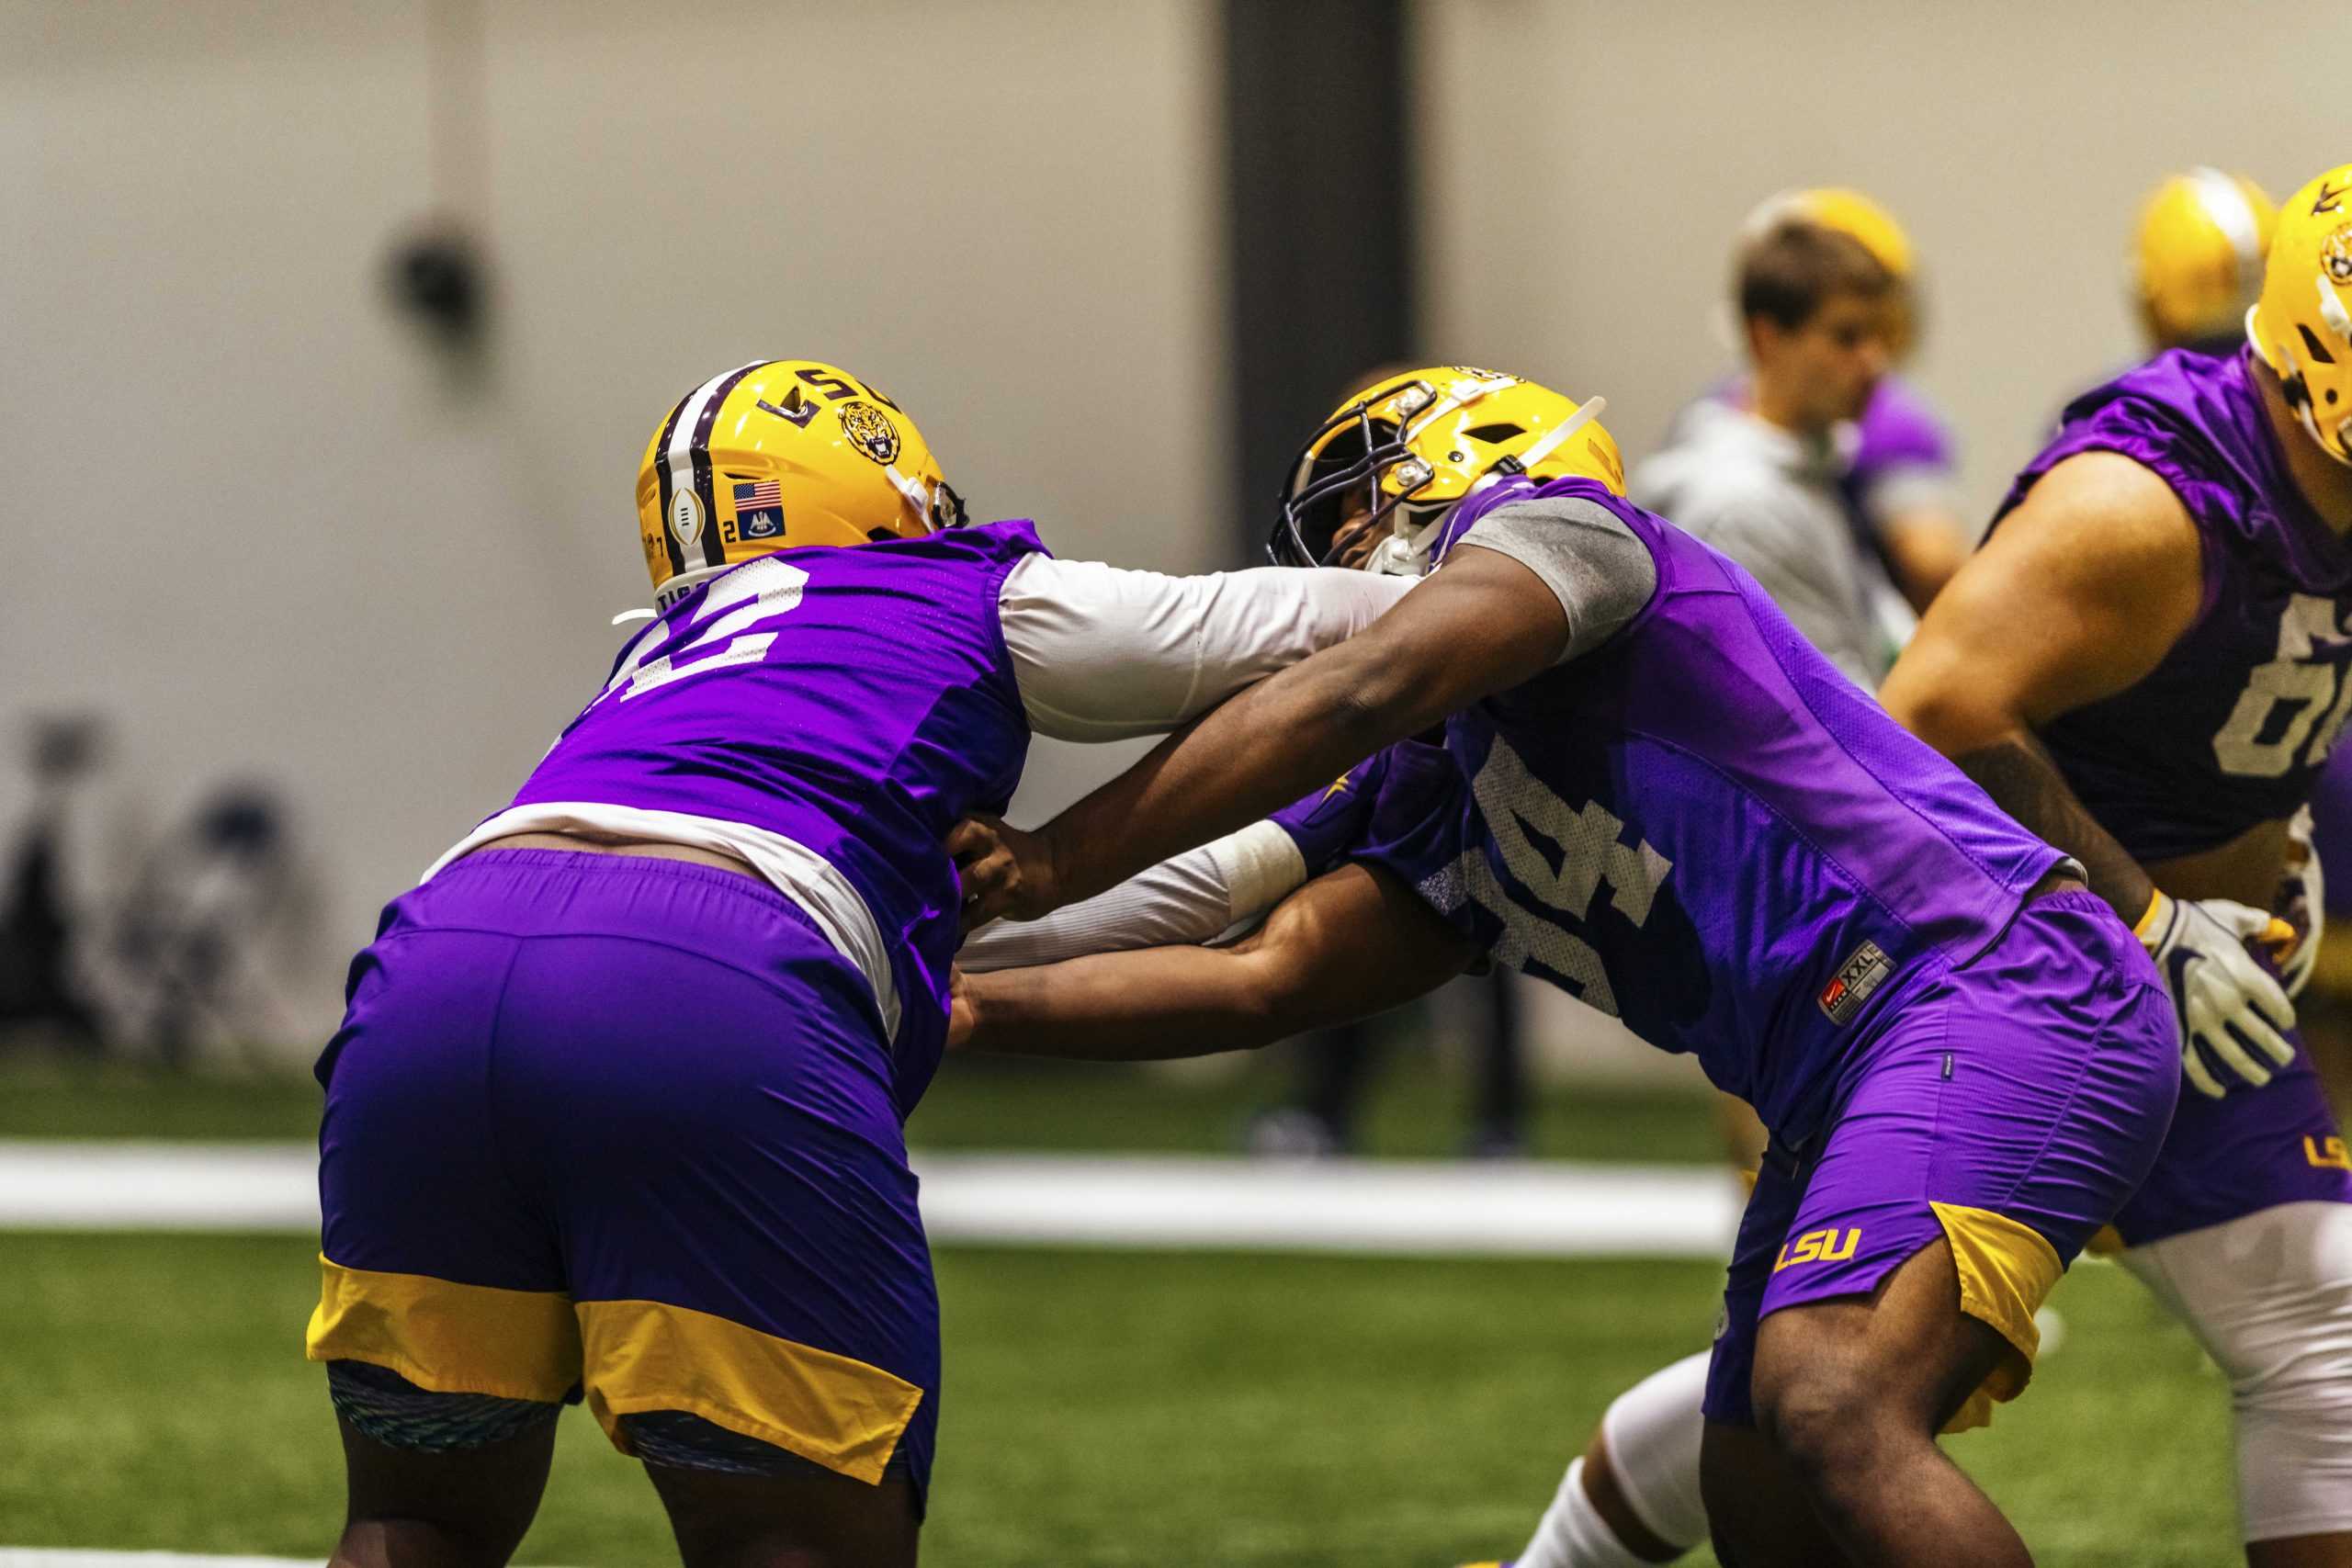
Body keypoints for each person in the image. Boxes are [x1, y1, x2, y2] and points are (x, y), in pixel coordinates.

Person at [953, 365, 2178, 1567]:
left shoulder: (1577, 536)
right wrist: (968, 1010)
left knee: (1833, 1398)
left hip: (1992, 979)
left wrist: (1057, 856)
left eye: (1357, 503)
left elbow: (1357, 686)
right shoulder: (1453, 775)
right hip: (1852, 1064)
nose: (1339, 547)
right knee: (1758, 1492)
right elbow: (1263, 975)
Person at [300, 358, 1412, 1567]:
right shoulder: (951, 589)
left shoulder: (667, 654)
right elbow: (1346, 632)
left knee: (414, 1521)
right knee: (797, 1542)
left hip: (435, 961)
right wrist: (1504, 560)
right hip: (708, 974)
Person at [1871, 164, 2352, 1564]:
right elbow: (1931, 711)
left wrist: (2281, 828)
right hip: (2006, 959)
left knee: (2325, 1330)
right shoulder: (2147, 505)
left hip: (2190, 972)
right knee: (1863, 1376)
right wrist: (2143, 916)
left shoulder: (2322, 472)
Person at [1635, 211, 1901, 686]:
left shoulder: (1814, 469)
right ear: (1766, 339)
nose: (1874, 362)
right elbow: (1831, 719)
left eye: (1879, 337)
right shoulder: (1742, 507)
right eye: (1847, 337)